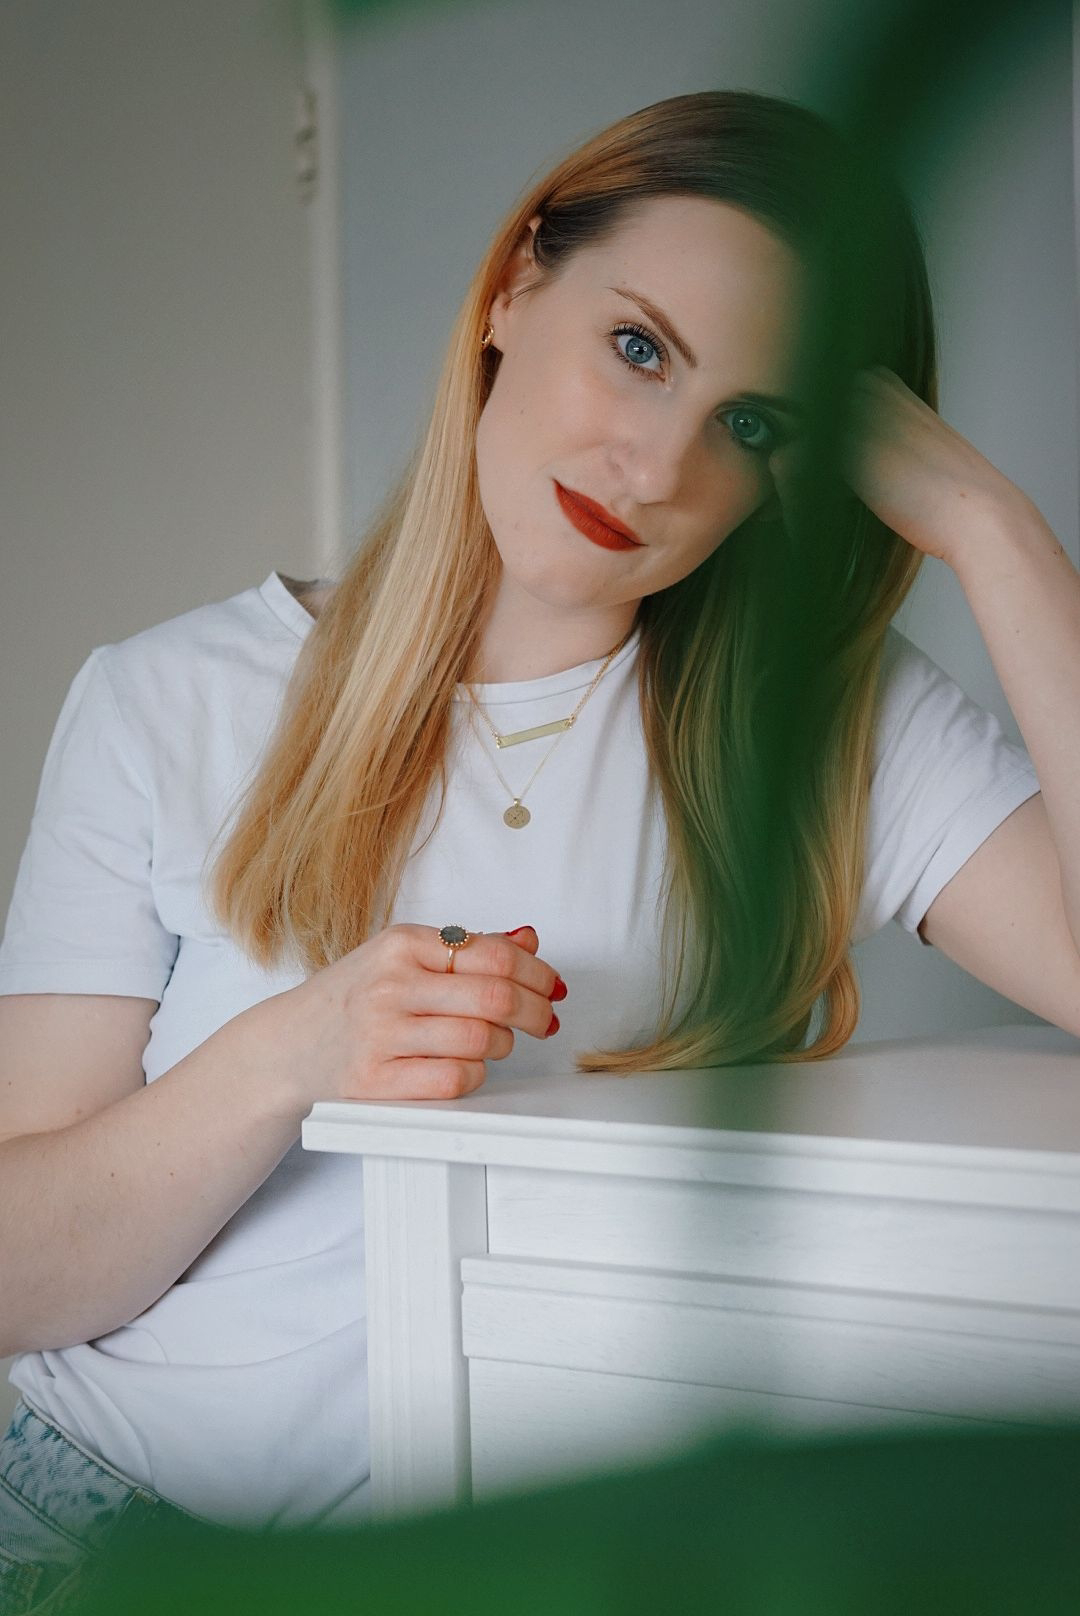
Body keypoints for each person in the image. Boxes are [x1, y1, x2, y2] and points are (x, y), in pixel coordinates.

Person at [0, 89, 1041, 1609]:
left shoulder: (825, 731)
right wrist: (299, 1051)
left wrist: (989, 521)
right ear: (515, 286)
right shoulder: (165, 699)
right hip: (107, 1530)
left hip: (526, 1571)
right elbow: (23, 1272)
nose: (656, 465)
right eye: (639, 349)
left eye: (752, 422)